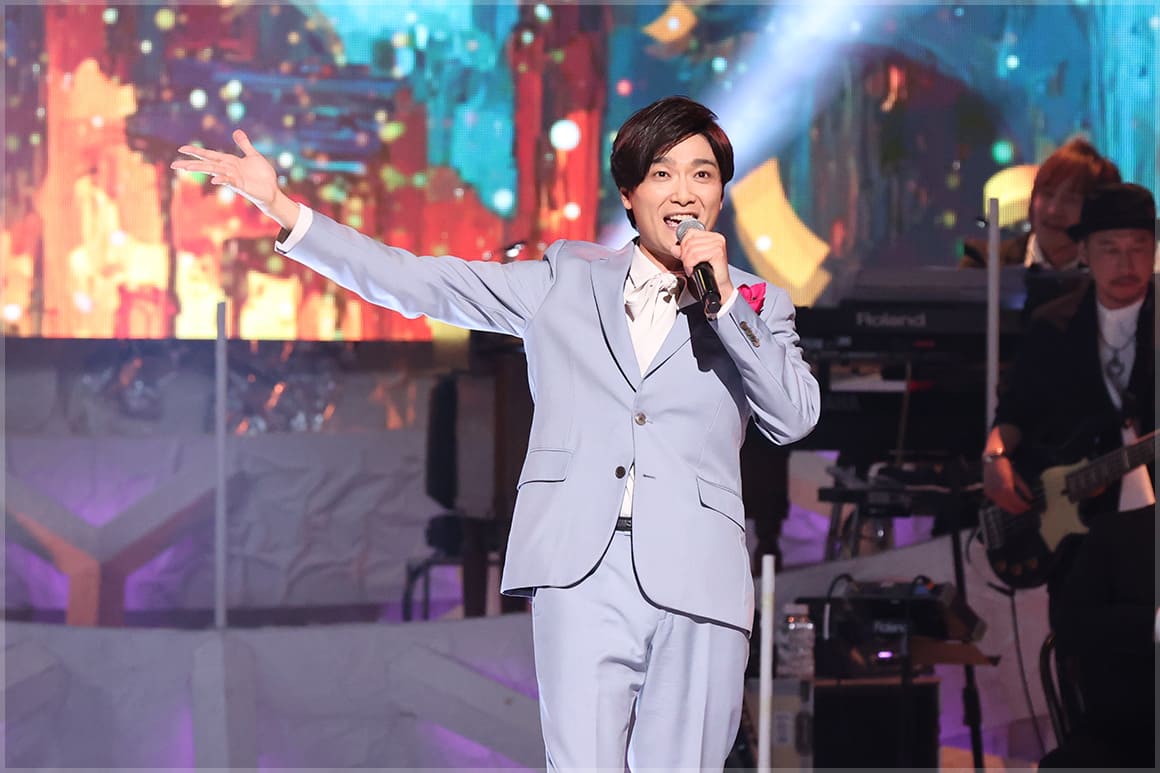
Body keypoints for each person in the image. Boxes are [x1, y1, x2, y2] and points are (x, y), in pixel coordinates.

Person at [173, 95, 820, 769]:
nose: (683, 191)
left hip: (699, 575)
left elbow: (793, 416)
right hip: (580, 567)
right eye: (663, 173)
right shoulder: (562, 282)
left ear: (720, 193)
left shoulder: (755, 303)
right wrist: (284, 208)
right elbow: (415, 282)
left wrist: (724, 304)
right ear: (629, 195)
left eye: (702, 174)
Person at [979, 183, 1156, 768]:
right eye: (1110, 248)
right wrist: (996, 458)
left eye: (1139, 247)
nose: (1126, 263)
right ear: (1085, 252)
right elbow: (1015, 413)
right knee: (1088, 663)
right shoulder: (1055, 324)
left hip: (1151, 536)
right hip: (1081, 537)